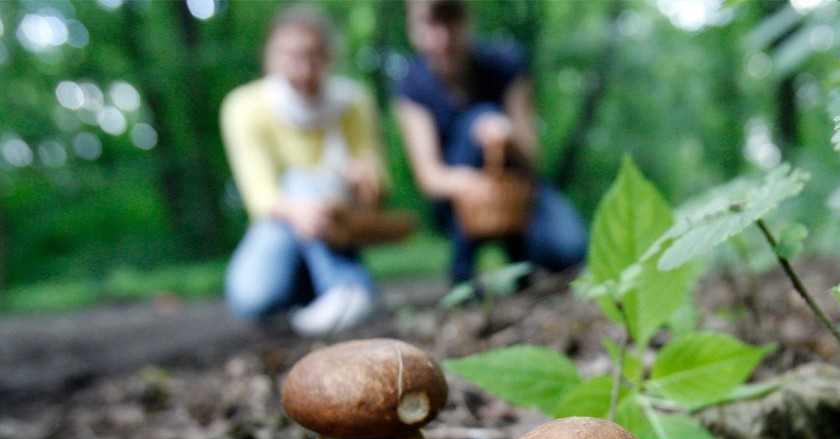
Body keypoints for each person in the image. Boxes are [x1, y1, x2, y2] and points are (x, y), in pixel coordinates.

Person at [394, 0, 588, 285]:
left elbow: (533, 158)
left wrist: (506, 137)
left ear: (468, 20)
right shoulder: (412, 85)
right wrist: (476, 185)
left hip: (520, 187)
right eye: (431, 23)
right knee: (480, 117)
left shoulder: (505, 64)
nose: (443, 38)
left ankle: (521, 262)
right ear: (413, 27)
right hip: (457, 202)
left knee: (569, 250)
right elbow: (429, 176)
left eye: (451, 21)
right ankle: (463, 272)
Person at [220, 4, 385, 336]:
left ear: (328, 57)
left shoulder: (353, 103)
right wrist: (302, 211)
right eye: (291, 56)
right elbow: (259, 194)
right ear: (271, 57)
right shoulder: (245, 107)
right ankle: (336, 293)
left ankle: (345, 288)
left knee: (305, 182)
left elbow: (378, 186)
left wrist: (364, 179)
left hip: (338, 227)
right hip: (280, 228)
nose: (304, 69)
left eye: (313, 56)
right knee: (253, 296)